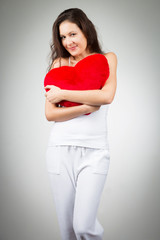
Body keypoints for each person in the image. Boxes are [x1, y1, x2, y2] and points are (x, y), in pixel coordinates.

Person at [44, 8, 117, 240]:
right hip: (59, 150)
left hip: (95, 152)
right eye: (63, 37)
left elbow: (105, 97)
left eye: (72, 34)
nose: (68, 42)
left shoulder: (107, 59)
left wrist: (64, 94)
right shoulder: (59, 63)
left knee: (84, 226)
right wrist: (86, 106)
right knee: (68, 232)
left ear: (86, 29)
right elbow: (50, 113)